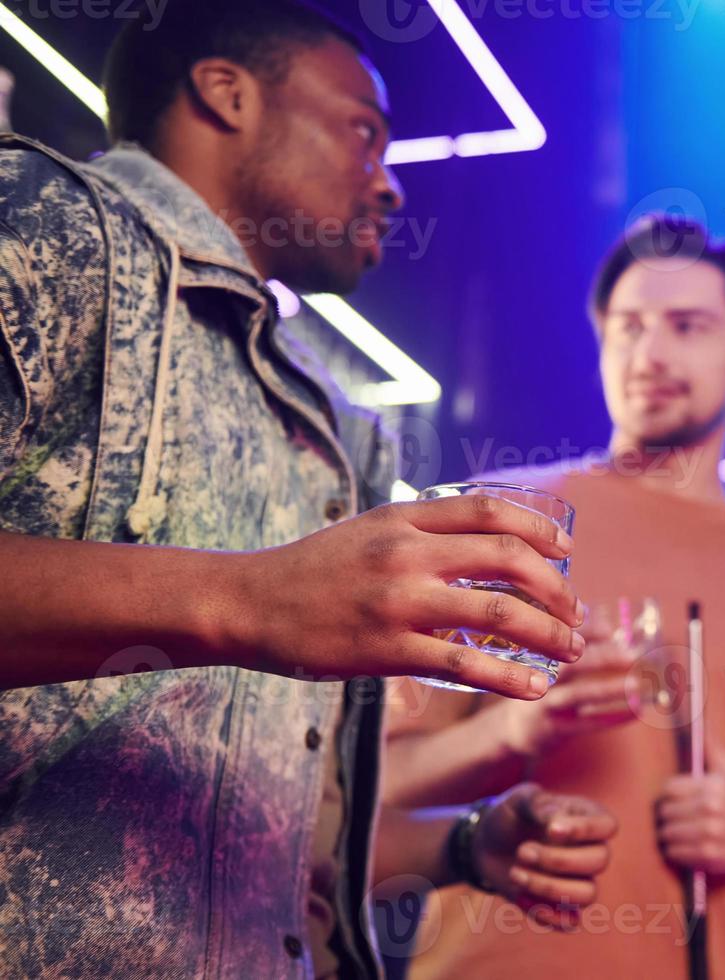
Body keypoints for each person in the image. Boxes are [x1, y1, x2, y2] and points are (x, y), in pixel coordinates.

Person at [0, 3, 614, 976]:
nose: (394, 183)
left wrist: (463, 845)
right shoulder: (42, 218)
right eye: (365, 131)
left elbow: (278, 832)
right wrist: (247, 597)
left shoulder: (339, 430)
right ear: (226, 93)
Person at [382, 215, 725, 979]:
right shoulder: (502, 521)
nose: (650, 352)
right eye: (628, 326)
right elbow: (370, 790)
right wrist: (510, 731)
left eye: (687, 326)